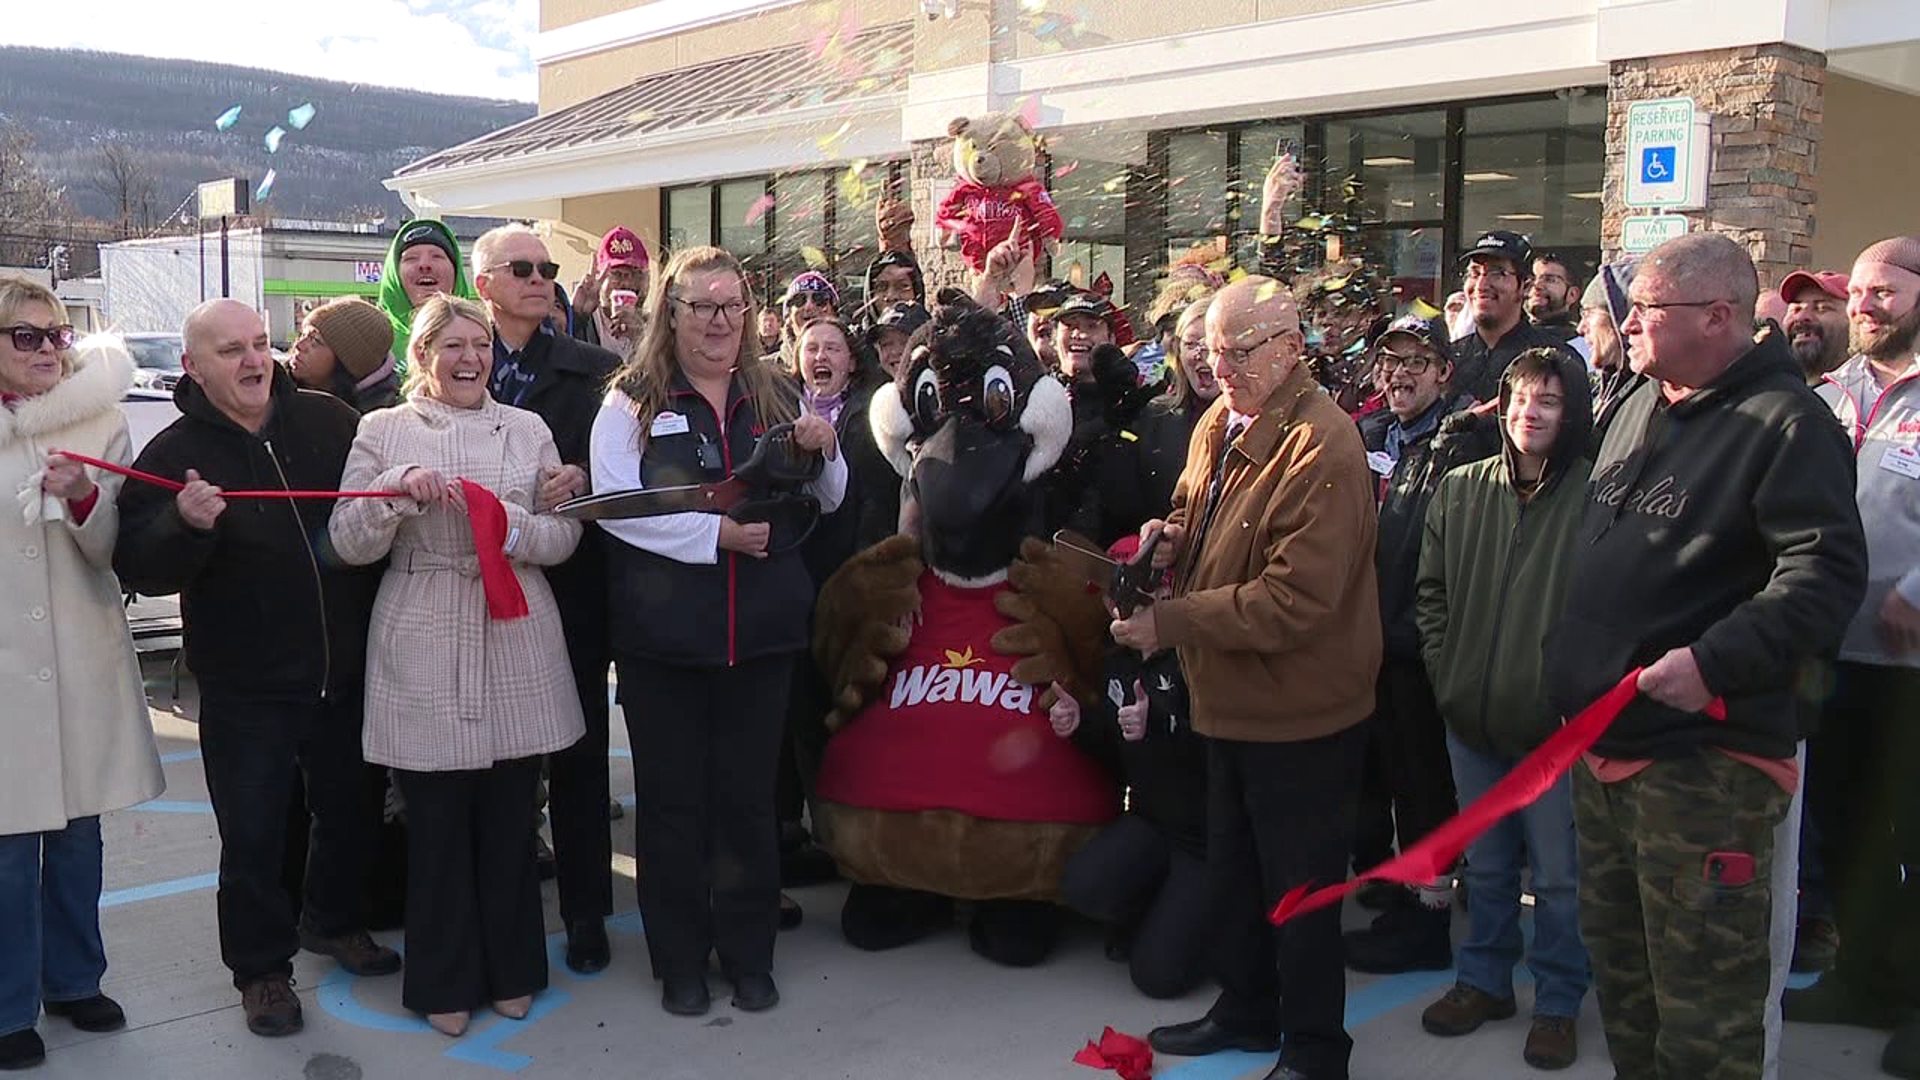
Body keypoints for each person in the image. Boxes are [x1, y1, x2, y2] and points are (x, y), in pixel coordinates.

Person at [1543, 232, 1867, 1080]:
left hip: (1702, 767)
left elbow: (1825, 575)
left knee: (1705, 1014)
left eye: (1650, 310)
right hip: (1607, 753)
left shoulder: (1787, 424)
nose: (1631, 325)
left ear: (1719, 317)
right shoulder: (1642, 402)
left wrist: (1713, 662)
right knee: (1627, 986)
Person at [1117, 276, 1380, 1080]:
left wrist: (1170, 623)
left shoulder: (1325, 444)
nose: (1219, 367)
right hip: (1225, 697)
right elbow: (1201, 520)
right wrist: (1166, 540)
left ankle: (1313, 1051)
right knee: (1235, 877)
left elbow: (1293, 601)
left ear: (1293, 349)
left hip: (1301, 710)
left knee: (1298, 894)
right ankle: (1247, 1010)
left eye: (1239, 352)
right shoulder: (1217, 423)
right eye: (1208, 350)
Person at [113, 299, 397, 1038]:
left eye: (258, 344)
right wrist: (184, 524)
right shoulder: (172, 454)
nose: (251, 361)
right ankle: (262, 971)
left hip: (341, 665)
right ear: (193, 367)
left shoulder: (329, 422)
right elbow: (136, 561)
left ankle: (332, 922)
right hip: (246, 681)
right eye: (230, 350)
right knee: (253, 833)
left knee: (350, 810)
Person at [590, 246, 846, 1017]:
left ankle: (748, 954)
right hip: (664, 643)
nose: (719, 322)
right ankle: (679, 960)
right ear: (670, 313)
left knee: (746, 806)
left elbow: (829, 500)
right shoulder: (629, 400)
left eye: (732, 305)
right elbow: (617, 505)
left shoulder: (773, 391)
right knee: (671, 807)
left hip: (761, 639)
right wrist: (715, 538)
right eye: (701, 306)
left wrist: (826, 451)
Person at [326, 294, 582, 1036]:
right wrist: (395, 499)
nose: (469, 358)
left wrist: (510, 531)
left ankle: (512, 968)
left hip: (514, 627)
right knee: (434, 824)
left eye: (480, 344)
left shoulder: (527, 428)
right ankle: (443, 976)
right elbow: (347, 540)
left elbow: (564, 538)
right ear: (423, 357)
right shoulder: (384, 428)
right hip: (424, 626)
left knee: (509, 818)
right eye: (452, 346)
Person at [1415, 347, 1594, 1070]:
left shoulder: (1594, 498)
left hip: (1552, 733)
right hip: (1472, 722)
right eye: (1521, 398)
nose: (1531, 412)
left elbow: (1607, 614)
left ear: (1571, 412)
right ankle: (1483, 980)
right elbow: (1429, 595)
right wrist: (1447, 674)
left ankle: (1557, 1001)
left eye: (1549, 401)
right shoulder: (1460, 489)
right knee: (1485, 869)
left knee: (1556, 876)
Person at [0, 282, 164, 1072]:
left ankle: (74, 979)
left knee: (76, 834)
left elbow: (110, 548)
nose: (47, 351)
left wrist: (84, 497)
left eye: (57, 337)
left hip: (79, 648)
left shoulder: (100, 420)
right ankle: (6, 1005)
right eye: (25, 336)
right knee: (4, 843)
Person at [469, 223, 621, 975]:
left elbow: (626, 462)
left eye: (548, 268)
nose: (539, 278)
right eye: (521, 268)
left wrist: (586, 477)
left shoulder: (596, 370)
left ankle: (587, 910)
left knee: (580, 752)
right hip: (474, 586)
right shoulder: (457, 362)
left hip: (571, 582)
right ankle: (493, 909)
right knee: (493, 756)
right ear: (483, 284)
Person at [1789, 236, 1920, 1077]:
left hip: (1910, 666)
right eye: (1861, 291)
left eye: (1886, 291)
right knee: (1846, 829)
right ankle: (1865, 980)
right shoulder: (1829, 392)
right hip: (1833, 654)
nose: (1867, 305)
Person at [1344, 314, 1476, 975]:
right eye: (1389, 360)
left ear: (1445, 372)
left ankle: (1427, 923)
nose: (1399, 372)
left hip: (1422, 647)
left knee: (1427, 787)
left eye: (1416, 360)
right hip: (1364, 640)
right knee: (1391, 779)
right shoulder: (1365, 434)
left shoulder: (1463, 444)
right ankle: (1403, 891)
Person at [1057, 536, 1213, 1000]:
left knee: (1158, 977)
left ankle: (1219, 920)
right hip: (1151, 821)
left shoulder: (1197, 658)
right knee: (1083, 885)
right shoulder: (1117, 664)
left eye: (1130, 595)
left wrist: (1163, 724)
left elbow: (1222, 753)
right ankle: (1164, 907)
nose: (1116, 606)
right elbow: (1113, 750)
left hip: (1205, 838)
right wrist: (1077, 724)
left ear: (1165, 594)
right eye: (1110, 595)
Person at [1450, 231, 1580, 403]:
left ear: (1525, 286)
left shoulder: (1554, 360)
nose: (1481, 285)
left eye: (1497, 273)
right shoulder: (1448, 359)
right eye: (1474, 273)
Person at [377, 220, 475, 372]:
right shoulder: (373, 340)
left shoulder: (482, 337)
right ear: (394, 275)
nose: (424, 265)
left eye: (437, 256)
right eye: (411, 258)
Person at [289, 296, 400, 413]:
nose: (299, 345)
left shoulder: (379, 424)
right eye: (302, 334)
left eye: (316, 341)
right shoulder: (274, 392)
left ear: (347, 363)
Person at [1579, 259, 1642, 446]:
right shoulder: (1600, 389)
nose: (1581, 328)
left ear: (1619, 314)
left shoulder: (1650, 397)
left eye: (1589, 313)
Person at [570, 226, 651, 356]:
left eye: (634, 274)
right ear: (599, 277)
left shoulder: (656, 328)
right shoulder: (583, 323)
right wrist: (577, 316)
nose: (625, 284)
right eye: (616, 274)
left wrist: (641, 338)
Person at [1780, 270, 1852, 384]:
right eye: (1796, 309)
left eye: (1822, 308)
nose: (1802, 317)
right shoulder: (1769, 387)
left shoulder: (1867, 394)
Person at [767, 271, 840, 371]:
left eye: (819, 299)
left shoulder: (856, 364)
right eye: (799, 300)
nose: (809, 306)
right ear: (789, 317)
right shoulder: (765, 372)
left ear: (834, 313)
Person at [1525, 254, 1582, 344]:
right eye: (1532, 279)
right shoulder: (1505, 339)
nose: (1537, 286)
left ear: (1572, 294)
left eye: (1550, 280)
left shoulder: (1584, 347)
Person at [866, 301, 929, 381]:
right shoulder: (884, 392)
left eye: (906, 342)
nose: (895, 351)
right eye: (886, 344)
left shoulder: (942, 389)